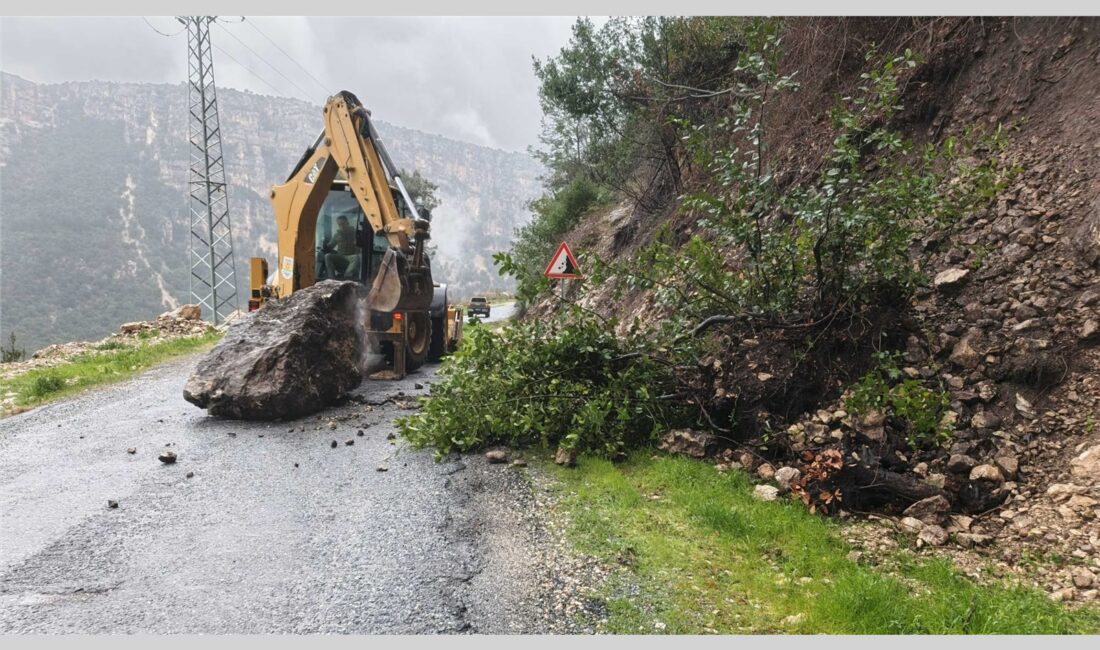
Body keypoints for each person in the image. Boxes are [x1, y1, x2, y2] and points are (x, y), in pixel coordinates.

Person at [324, 215, 360, 280]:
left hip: (351, 258)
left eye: (343, 224)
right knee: (327, 256)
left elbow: (361, 246)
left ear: (347, 223)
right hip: (340, 257)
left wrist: (356, 243)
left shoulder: (355, 233)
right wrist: (325, 246)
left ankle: (346, 276)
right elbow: (330, 246)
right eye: (339, 224)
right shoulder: (337, 235)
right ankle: (332, 279)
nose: (341, 226)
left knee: (356, 257)